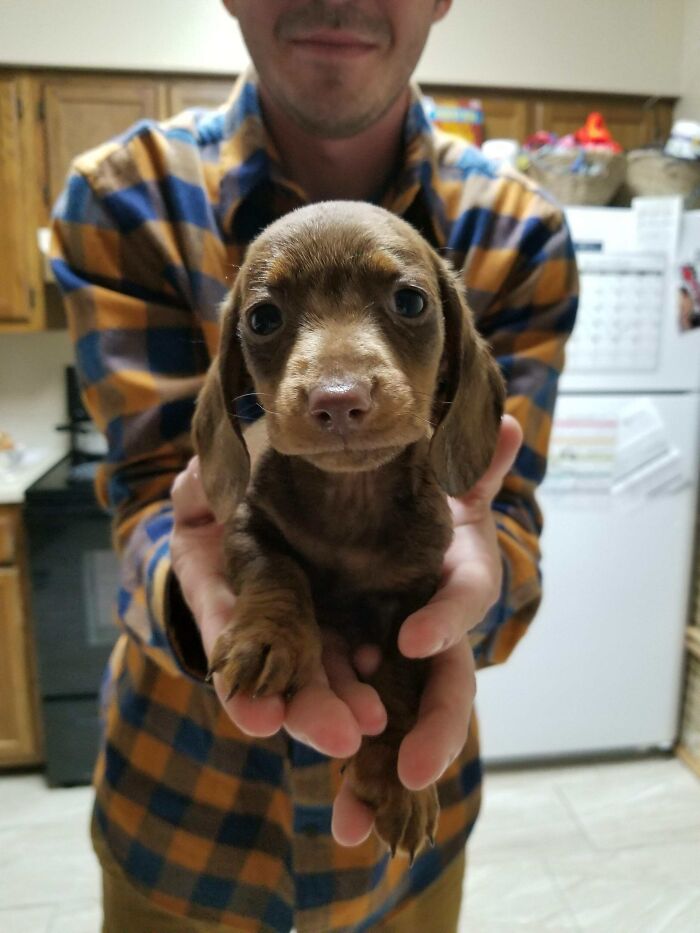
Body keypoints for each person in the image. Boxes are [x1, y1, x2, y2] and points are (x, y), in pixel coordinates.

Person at [50, 2, 578, 930]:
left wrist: (476, 586)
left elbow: (507, 510)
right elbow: (152, 503)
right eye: (266, 320)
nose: (337, 387)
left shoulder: (524, 230)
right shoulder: (119, 198)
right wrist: (233, 597)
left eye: (407, 305)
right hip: (179, 820)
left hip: (405, 824)